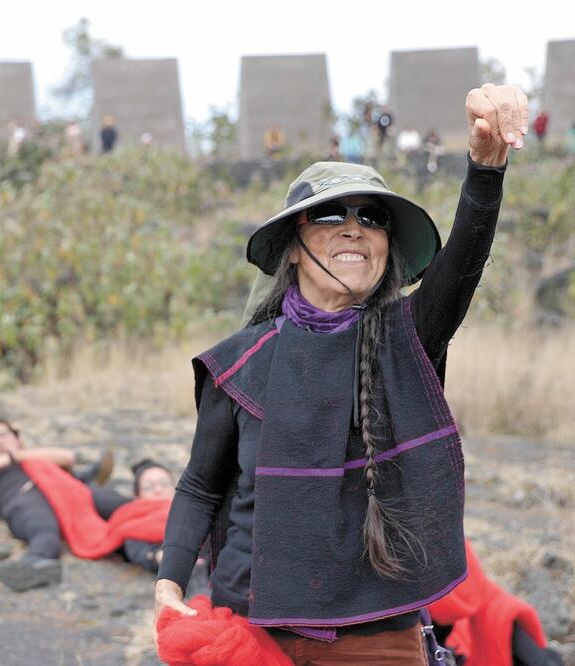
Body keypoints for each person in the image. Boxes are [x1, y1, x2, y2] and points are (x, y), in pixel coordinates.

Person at [154, 83, 528, 664]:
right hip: (250, 628)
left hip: (375, 634)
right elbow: (200, 485)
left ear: (386, 246)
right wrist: (170, 583)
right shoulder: (240, 362)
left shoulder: (406, 343)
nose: (353, 228)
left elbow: (463, 266)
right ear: (295, 247)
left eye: (372, 218)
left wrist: (485, 170)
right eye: (330, 214)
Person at [0, 394, 115, 591]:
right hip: (24, 499)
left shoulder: (34, 457)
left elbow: (67, 457)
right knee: (43, 531)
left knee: (114, 504)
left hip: (67, 491)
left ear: (17, 438)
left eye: (4, 434)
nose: (0, 441)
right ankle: (35, 565)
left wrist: (11, 457)